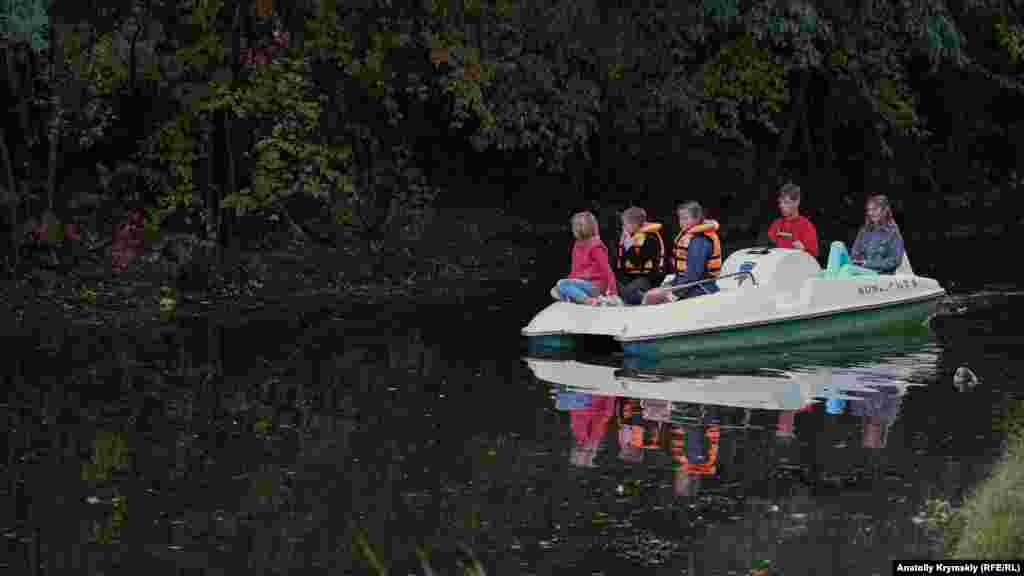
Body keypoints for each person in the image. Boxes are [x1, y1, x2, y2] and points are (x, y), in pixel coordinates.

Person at [642, 201, 721, 305]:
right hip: (685, 283)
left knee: (655, 298)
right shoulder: (688, 235)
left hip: (701, 286)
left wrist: (674, 294)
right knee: (650, 295)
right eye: (680, 218)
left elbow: (694, 275)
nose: (682, 222)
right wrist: (671, 286)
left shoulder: (700, 241)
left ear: (697, 218)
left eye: (685, 218)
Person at [550, 211, 619, 305]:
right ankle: (576, 298)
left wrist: (613, 293)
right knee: (556, 289)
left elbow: (607, 270)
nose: (579, 229)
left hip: (595, 286)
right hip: (580, 284)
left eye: (580, 226)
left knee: (563, 283)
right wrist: (570, 281)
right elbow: (576, 270)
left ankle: (591, 301)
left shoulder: (595, 246)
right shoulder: (577, 245)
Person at [614, 206, 667, 305]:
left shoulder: (650, 238)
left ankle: (647, 299)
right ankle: (630, 296)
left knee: (628, 292)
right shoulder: (631, 237)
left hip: (648, 278)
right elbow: (621, 262)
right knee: (612, 282)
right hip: (632, 277)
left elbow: (637, 262)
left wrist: (628, 245)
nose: (623, 227)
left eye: (625, 224)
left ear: (634, 224)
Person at [850, 194, 905, 274]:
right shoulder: (864, 231)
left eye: (875, 209)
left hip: (880, 276)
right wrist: (858, 262)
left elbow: (895, 261)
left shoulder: (893, 233)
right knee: (837, 246)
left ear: (884, 210)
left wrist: (868, 264)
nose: (871, 213)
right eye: (869, 210)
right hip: (860, 272)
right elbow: (854, 255)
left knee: (847, 270)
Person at [767, 181, 819, 258]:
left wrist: (803, 251)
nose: (781, 206)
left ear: (797, 202)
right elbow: (766, 249)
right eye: (780, 202)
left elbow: (813, 258)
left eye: (786, 202)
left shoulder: (806, 226)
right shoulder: (776, 224)